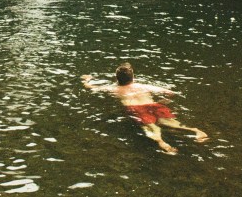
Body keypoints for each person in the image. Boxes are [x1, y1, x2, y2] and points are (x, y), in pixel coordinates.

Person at [81, 62, 209, 155]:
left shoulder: (115, 89)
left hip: (136, 109)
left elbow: (90, 87)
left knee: (152, 127)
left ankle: (161, 142)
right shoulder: (142, 86)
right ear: (133, 77)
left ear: (116, 78)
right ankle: (195, 130)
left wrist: (88, 79)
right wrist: (163, 101)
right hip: (153, 105)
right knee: (171, 123)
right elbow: (169, 92)